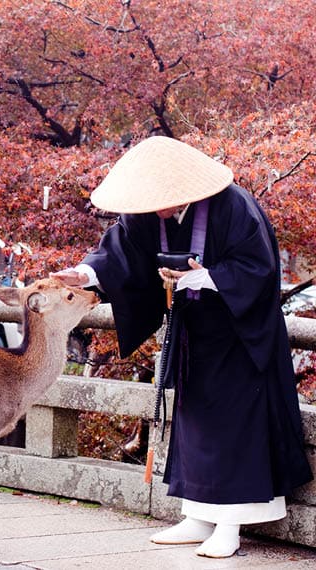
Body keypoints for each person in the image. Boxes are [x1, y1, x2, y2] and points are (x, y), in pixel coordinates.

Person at [53, 136, 312, 558]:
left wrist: (206, 277)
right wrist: (83, 274)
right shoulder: (145, 214)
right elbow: (119, 253)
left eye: (164, 201)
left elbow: (257, 269)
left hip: (239, 335)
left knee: (235, 428)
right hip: (192, 332)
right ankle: (196, 514)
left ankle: (230, 524)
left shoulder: (234, 206)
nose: (159, 210)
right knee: (194, 426)